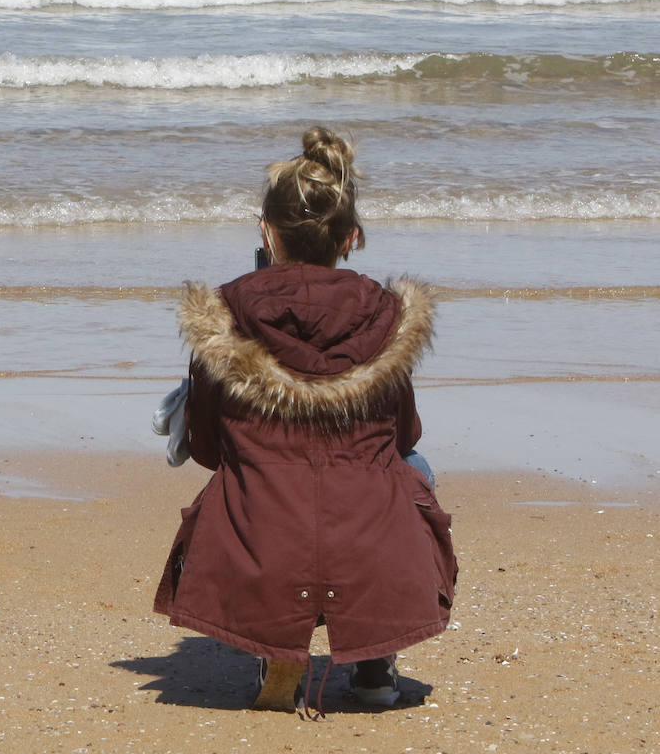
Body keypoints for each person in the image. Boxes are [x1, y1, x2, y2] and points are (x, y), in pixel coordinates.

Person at [152, 127, 457, 713]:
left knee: (251, 472)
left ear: (266, 232)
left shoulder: (224, 314)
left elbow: (211, 448)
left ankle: (276, 643)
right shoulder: (389, 316)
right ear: (351, 238)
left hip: (263, 546)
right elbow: (404, 435)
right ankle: (374, 668)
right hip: (371, 549)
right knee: (413, 465)